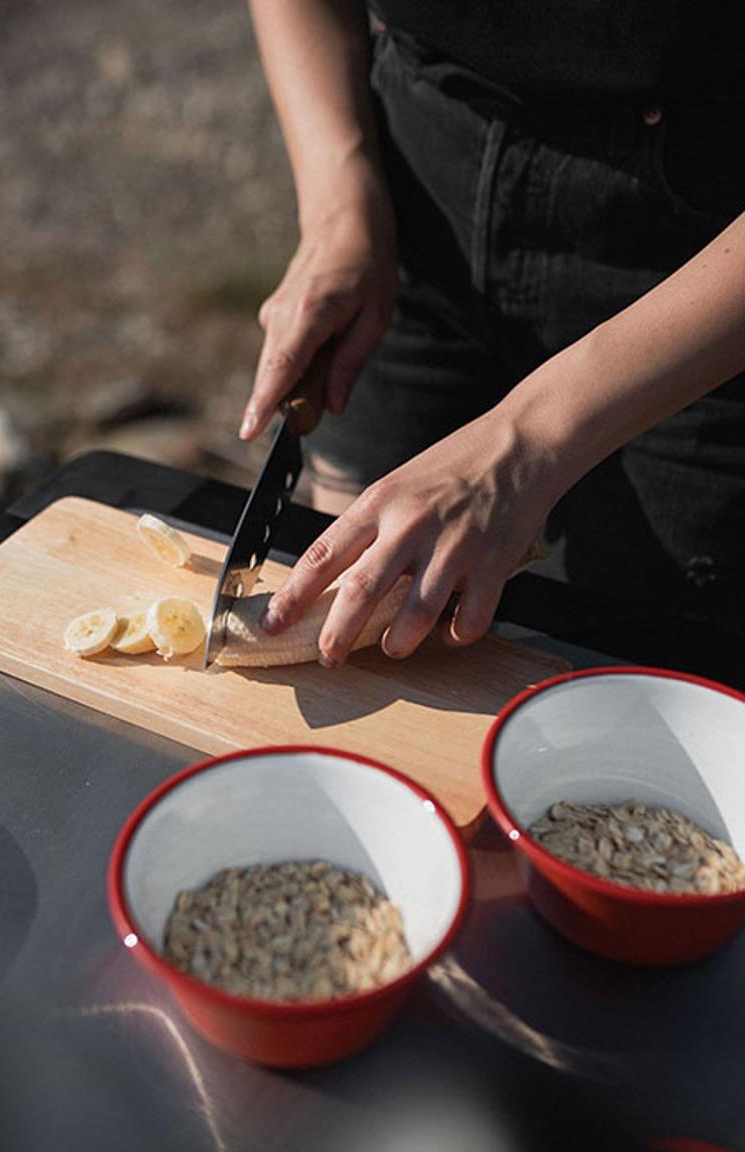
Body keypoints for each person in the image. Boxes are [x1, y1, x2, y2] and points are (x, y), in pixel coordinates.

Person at [239, 1, 745, 668]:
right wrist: (338, 197)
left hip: (703, 275)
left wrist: (527, 438)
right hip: (415, 196)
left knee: (626, 673)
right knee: (356, 621)